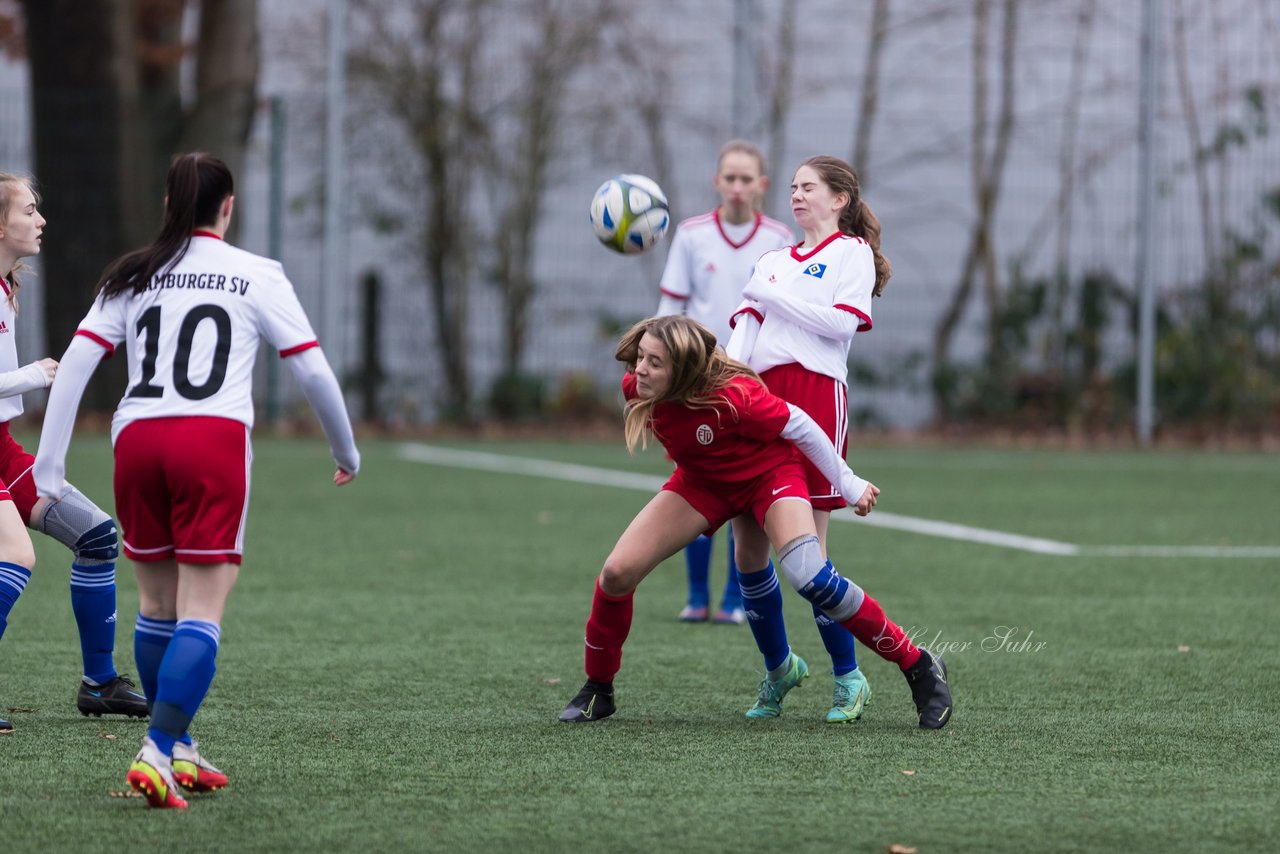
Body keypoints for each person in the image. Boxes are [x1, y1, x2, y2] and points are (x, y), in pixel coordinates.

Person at [32, 152, 361, 809]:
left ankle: (179, 747)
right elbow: (314, 372)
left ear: (167, 206)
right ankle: (156, 748)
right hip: (209, 439)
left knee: (158, 606)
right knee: (202, 611)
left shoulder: (133, 274)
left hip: (138, 437)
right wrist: (345, 450)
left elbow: (73, 366)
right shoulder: (256, 273)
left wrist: (50, 464)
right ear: (228, 207)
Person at [557, 315, 952, 731]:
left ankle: (918, 665)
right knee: (617, 573)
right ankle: (599, 689)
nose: (640, 370)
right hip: (702, 485)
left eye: (654, 362)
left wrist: (849, 483)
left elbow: (800, 425)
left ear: (684, 371)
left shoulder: (735, 397)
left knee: (810, 575)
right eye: (640, 358)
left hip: (769, 477)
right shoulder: (638, 387)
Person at [724, 155, 892, 725]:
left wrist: (772, 297)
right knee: (747, 550)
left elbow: (841, 323)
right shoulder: (771, 258)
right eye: (792, 187)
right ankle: (779, 669)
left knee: (808, 559)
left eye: (808, 187)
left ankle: (849, 678)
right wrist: (725, 388)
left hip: (818, 397)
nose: (796, 195)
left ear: (840, 198)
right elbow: (745, 328)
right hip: (758, 399)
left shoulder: (852, 254)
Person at [0, 173, 146, 734]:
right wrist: (32, 374)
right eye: (30, 211)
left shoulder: (7, 285)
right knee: (15, 558)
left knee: (97, 536)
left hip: (5, 452)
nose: (41, 221)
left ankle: (99, 684)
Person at [655, 141, 793, 625]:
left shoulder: (778, 239)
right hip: (696, 381)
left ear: (762, 185)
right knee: (699, 477)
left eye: (746, 179)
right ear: (717, 182)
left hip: (750, 383)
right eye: (729, 178)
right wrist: (661, 368)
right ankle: (697, 597)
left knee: (745, 483)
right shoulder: (691, 235)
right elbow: (670, 310)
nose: (737, 187)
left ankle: (736, 601)